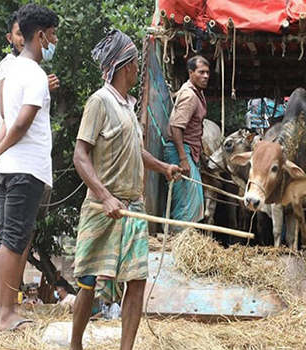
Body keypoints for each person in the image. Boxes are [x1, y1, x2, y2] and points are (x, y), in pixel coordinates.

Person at [71, 29, 182, 350]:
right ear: (126, 66)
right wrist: (105, 196)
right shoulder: (99, 102)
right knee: (88, 282)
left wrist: (163, 168)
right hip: (102, 209)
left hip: (132, 209)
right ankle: (75, 344)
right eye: (135, 62)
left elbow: (136, 150)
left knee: (137, 281)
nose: (138, 69)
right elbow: (80, 155)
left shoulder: (128, 108)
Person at [0, 3, 59, 331]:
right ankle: (7, 315)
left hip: (6, 168)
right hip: (25, 168)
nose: (55, 42)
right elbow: (22, 124)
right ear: (40, 36)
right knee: (15, 238)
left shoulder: (9, 73)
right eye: (53, 35)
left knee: (2, 238)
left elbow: (3, 122)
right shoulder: (36, 75)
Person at [164, 55, 210, 231]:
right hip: (180, 151)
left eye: (207, 72)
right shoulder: (190, 96)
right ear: (191, 73)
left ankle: (182, 239)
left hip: (187, 150)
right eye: (201, 72)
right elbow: (176, 126)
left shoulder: (194, 92)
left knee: (193, 200)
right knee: (187, 202)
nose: (206, 76)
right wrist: (183, 158)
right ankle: (178, 242)